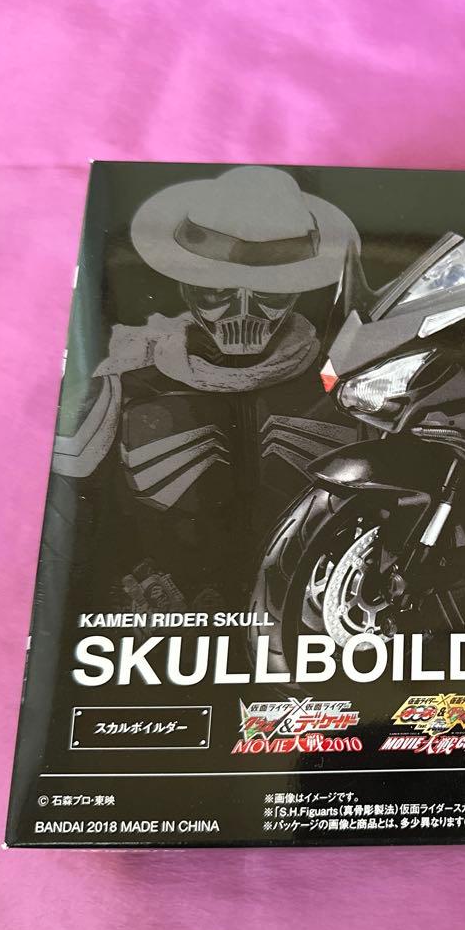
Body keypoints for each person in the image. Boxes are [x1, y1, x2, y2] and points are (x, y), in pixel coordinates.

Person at [51, 165, 368, 620]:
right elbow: (63, 548)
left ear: (297, 292)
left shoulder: (353, 384)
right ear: (187, 285)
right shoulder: (122, 382)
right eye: (218, 291)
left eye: (270, 293)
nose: (244, 311)